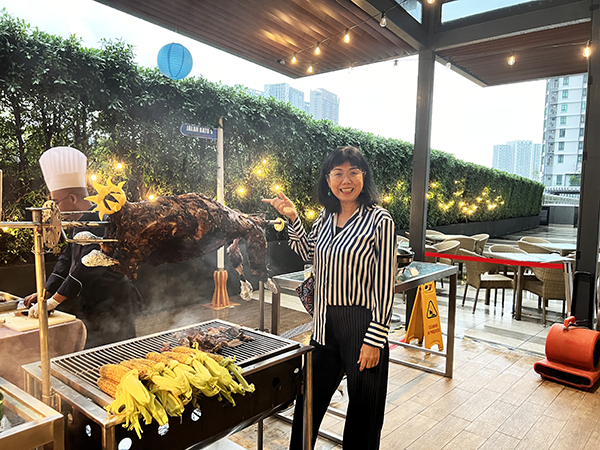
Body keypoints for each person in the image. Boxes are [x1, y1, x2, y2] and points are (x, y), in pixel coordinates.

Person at [263, 146, 396, 450]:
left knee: (364, 412)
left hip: (362, 326)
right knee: (309, 401)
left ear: (364, 176)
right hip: (323, 325)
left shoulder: (380, 220)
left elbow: (385, 285)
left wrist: (376, 339)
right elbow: (308, 254)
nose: (345, 180)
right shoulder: (325, 217)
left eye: (353, 172)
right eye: (338, 173)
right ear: (328, 179)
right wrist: (293, 218)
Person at [24, 146, 140, 349]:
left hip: (113, 300)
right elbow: (67, 260)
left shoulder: (102, 217)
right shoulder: (76, 223)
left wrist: (54, 301)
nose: (53, 209)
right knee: (92, 350)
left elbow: (88, 265)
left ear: (72, 199)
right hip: (91, 300)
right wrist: (46, 291)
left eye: (55, 202)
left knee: (116, 350)